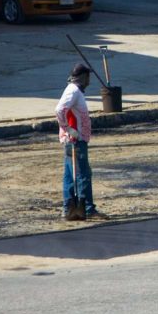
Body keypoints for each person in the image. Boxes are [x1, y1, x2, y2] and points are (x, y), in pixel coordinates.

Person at [55, 63, 104, 220]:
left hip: (74, 139)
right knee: (83, 174)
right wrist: (68, 129)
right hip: (75, 140)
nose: (89, 80)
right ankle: (87, 209)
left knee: (70, 174)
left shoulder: (75, 91)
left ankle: (69, 209)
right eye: (88, 76)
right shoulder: (73, 91)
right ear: (84, 77)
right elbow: (59, 110)